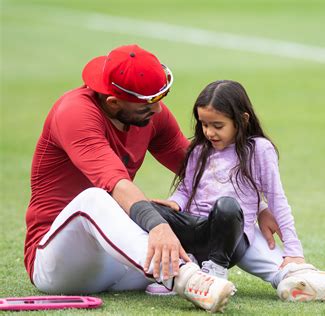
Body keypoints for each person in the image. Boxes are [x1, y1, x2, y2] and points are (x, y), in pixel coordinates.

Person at [24, 45, 243, 313]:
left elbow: (202, 171)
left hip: (121, 265)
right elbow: (114, 183)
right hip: (59, 265)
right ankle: (188, 278)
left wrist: (260, 206)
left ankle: (283, 273)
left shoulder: (149, 114)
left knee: (206, 220)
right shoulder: (74, 112)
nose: (158, 110)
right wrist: (158, 227)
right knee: (97, 198)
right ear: (113, 102)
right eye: (147, 104)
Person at [148, 80, 325, 303]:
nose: (209, 132)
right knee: (147, 209)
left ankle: (218, 274)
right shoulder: (200, 149)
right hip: (196, 230)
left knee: (229, 210)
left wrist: (293, 251)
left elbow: (277, 199)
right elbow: (187, 188)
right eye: (204, 125)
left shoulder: (258, 150)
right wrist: (174, 203)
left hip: (232, 235)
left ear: (242, 120)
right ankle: (180, 272)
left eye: (217, 126)